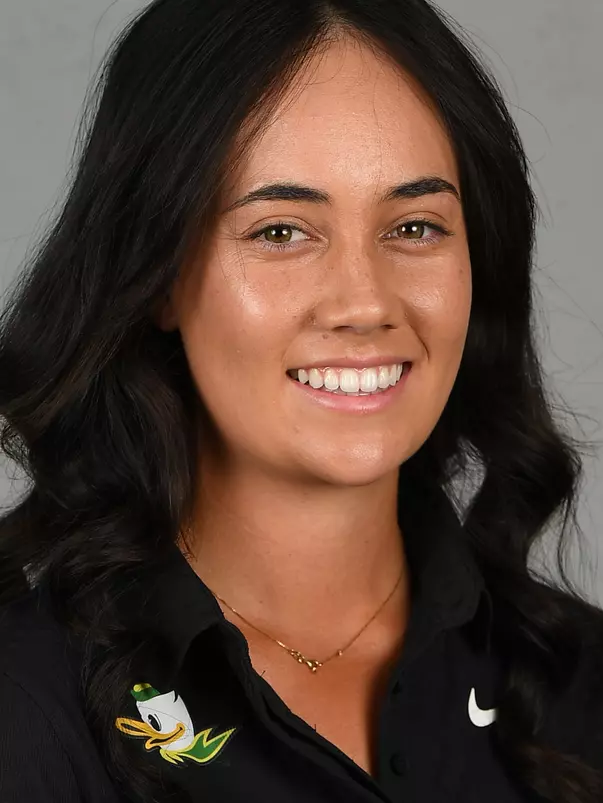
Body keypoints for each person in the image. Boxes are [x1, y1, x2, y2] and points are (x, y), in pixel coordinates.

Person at [0, 0, 601, 801]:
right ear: (158, 275)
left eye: (416, 227)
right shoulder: (27, 709)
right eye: (280, 231)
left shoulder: (578, 681)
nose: (364, 301)